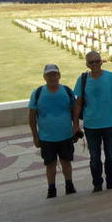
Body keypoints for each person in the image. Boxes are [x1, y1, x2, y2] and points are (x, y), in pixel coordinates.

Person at [73, 51, 112, 192]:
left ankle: (111, 182)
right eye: (91, 62)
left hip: (109, 124)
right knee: (94, 157)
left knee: (110, 156)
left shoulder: (111, 77)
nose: (94, 64)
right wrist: (75, 124)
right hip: (91, 125)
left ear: (101, 61)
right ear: (87, 64)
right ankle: (97, 184)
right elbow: (78, 103)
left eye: (96, 61)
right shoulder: (82, 79)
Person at [28, 64, 77, 198]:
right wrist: (35, 136)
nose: (52, 77)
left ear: (59, 75)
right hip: (46, 137)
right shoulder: (37, 93)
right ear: (44, 77)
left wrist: (76, 127)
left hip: (65, 135)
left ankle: (69, 184)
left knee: (66, 162)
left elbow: (75, 112)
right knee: (50, 165)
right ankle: (51, 188)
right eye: (49, 75)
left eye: (54, 74)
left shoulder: (67, 91)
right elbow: (32, 117)